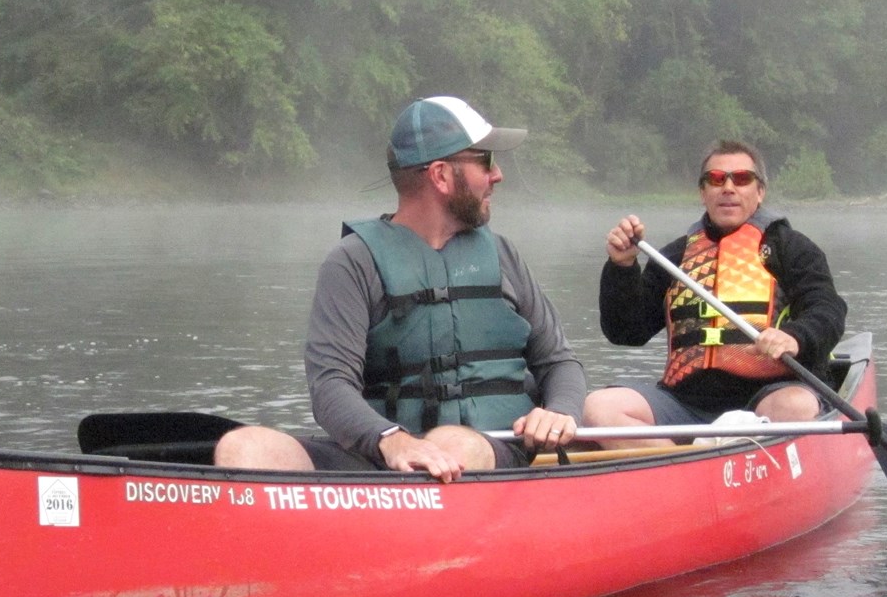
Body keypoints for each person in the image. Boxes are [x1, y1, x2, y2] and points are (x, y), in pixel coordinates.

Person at [214, 96, 583, 482]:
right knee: (243, 447)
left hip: (491, 450)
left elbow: (559, 362)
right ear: (440, 175)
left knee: (453, 445)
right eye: (485, 160)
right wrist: (391, 440)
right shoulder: (353, 263)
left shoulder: (504, 255)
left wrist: (560, 411)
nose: (498, 175)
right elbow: (330, 385)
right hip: (384, 457)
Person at [583, 139, 846, 444]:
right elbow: (626, 332)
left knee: (796, 406)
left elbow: (827, 310)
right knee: (598, 408)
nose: (728, 188)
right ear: (703, 192)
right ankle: (678, 468)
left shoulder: (790, 249)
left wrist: (795, 336)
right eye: (716, 179)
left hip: (769, 396)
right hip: (685, 403)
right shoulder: (675, 257)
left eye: (742, 179)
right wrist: (622, 267)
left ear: (760, 192)